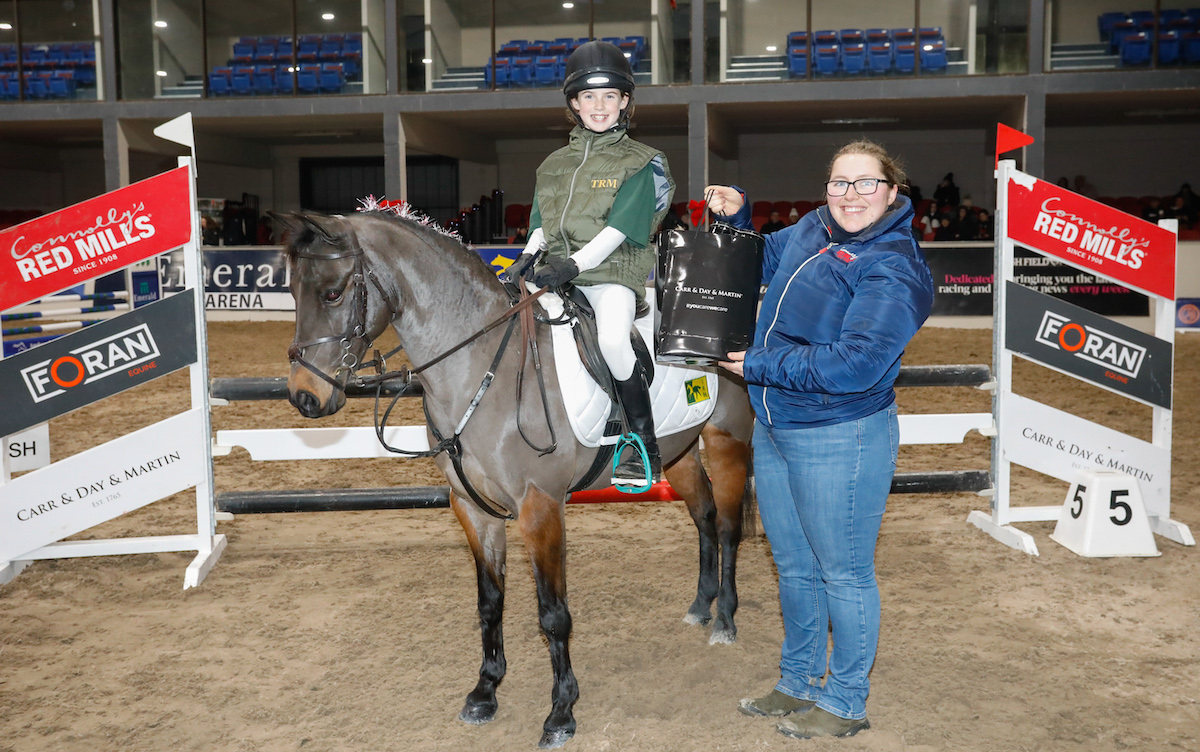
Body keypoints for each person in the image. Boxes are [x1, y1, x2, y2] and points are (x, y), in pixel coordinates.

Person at [703, 139, 933, 741]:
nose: (849, 195)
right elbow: (760, 258)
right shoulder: (813, 227)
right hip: (778, 427)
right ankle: (798, 680)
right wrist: (739, 216)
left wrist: (758, 365)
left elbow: (855, 365)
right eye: (839, 183)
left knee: (844, 573)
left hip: (841, 432)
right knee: (794, 567)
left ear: (891, 191)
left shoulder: (895, 266)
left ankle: (846, 700)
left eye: (864, 184)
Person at [504, 40, 675, 487]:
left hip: (611, 273)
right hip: (558, 270)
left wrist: (572, 267)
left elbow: (621, 228)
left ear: (624, 104)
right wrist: (526, 255)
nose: (599, 106)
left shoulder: (641, 162)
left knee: (615, 342)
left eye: (610, 96)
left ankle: (643, 443)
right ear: (574, 105)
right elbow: (542, 219)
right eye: (589, 97)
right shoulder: (552, 164)